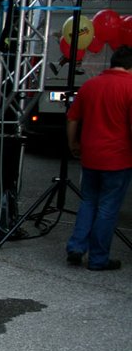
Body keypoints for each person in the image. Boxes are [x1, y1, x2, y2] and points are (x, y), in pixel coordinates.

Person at [65, 45, 132, 271]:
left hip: (90, 156)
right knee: (108, 208)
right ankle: (98, 258)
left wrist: (72, 143)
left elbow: (72, 118)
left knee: (88, 202)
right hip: (118, 158)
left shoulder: (90, 85)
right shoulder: (130, 87)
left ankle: (76, 247)